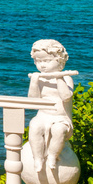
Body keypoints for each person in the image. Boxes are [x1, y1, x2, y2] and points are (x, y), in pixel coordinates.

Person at [27, 39, 74, 172]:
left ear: (59, 62)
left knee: (58, 130)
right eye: (38, 61)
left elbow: (66, 97)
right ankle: (38, 158)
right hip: (43, 116)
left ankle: (53, 156)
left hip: (61, 118)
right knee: (34, 126)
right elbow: (33, 101)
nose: (42, 65)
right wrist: (34, 82)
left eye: (47, 61)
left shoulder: (66, 78)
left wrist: (59, 78)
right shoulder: (40, 78)